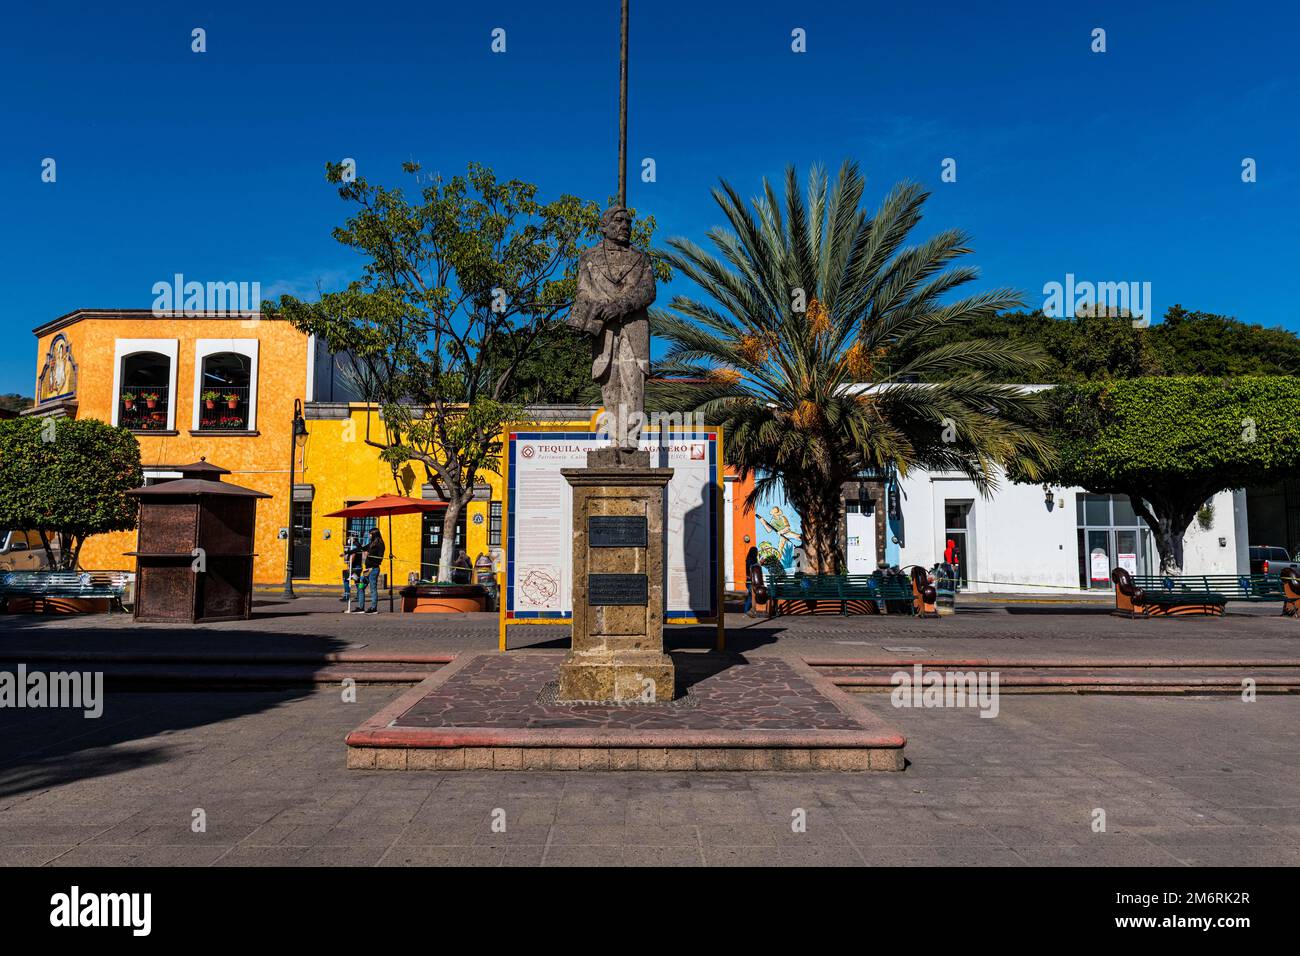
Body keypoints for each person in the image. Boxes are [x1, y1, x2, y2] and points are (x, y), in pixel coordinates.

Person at [361, 527, 385, 613]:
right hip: (367, 570)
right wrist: (348, 552)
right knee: (361, 586)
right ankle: (361, 607)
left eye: (370, 534)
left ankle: (373, 608)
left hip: (373, 570)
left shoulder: (380, 545)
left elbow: (379, 558)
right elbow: (362, 548)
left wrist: (371, 556)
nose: (369, 535)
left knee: (373, 588)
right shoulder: (371, 544)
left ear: (374, 534)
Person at [341, 533, 364, 612]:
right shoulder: (358, 544)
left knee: (346, 579)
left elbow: (353, 555)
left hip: (354, 567)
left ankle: (347, 595)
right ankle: (359, 595)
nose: (348, 539)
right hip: (359, 567)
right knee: (358, 582)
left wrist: (349, 565)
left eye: (349, 537)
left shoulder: (354, 545)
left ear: (352, 538)